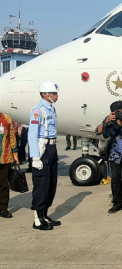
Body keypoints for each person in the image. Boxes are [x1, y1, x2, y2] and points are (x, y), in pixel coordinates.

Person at [28, 80, 61, 231]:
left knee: (51, 184)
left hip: (52, 148)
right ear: (45, 94)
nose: (56, 96)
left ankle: (45, 215)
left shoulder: (51, 109)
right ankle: (37, 219)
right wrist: (35, 157)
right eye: (54, 93)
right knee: (41, 185)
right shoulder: (38, 110)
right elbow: (32, 134)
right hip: (43, 149)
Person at [0, 112, 19, 219]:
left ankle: (3, 208)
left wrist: (15, 153)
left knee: (4, 184)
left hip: (5, 157)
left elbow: (12, 137)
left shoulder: (6, 119)